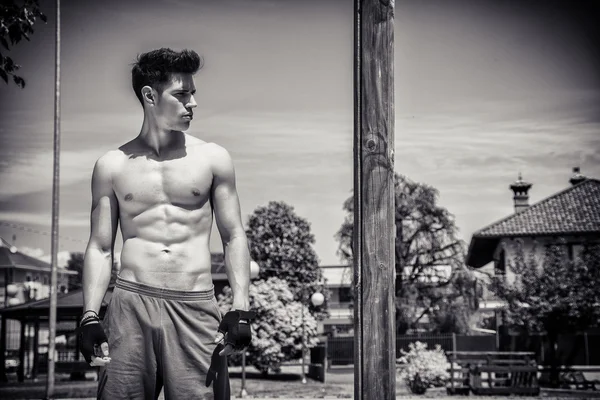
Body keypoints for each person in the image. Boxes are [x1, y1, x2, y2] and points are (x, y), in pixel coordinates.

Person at [78, 48, 255, 400]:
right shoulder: (111, 165)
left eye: (193, 93)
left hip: (195, 305)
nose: (192, 103)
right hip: (131, 304)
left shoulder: (213, 158)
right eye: (181, 94)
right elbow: (100, 246)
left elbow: (233, 235)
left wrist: (241, 308)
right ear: (149, 96)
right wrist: (88, 316)